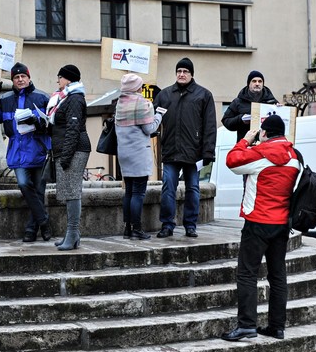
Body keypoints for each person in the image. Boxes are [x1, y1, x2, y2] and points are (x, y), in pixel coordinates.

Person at [221, 114, 300, 341]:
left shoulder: (260, 154)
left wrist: (245, 139)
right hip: (282, 223)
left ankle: (247, 325)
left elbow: (232, 161)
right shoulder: (295, 157)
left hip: (258, 221)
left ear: (264, 133)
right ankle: (277, 326)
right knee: (277, 276)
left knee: (247, 274)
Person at [0, 62, 52, 242]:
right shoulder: (4, 98)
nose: (20, 79)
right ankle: (44, 222)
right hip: (17, 151)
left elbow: (53, 123)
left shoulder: (43, 97)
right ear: (12, 80)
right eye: (16, 77)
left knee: (38, 192)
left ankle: (31, 230)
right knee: (23, 184)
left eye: (23, 76)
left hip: (38, 149)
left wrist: (41, 124)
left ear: (29, 78)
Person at [154, 57, 216, 239]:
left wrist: (208, 153)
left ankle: (190, 225)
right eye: (179, 71)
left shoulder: (204, 95)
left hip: (194, 153)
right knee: (167, 188)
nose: (181, 74)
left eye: (185, 71)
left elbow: (210, 126)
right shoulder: (164, 95)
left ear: (191, 74)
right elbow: (151, 120)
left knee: (193, 190)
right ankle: (167, 224)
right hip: (171, 151)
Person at [115, 74, 164, 240]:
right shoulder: (143, 103)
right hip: (138, 153)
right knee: (138, 193)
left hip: (124, 153)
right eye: (140, 86)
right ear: (136, 87)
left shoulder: (120, 104)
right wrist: (159, 116)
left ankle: (127, 228)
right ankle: (137, 228)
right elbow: (149, 129)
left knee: (128, 192)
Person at [46, 64, 90, 251]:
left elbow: (73, 129)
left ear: (68, 79)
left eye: (60, 77)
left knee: (72, 192)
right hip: (67, 149)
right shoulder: (66, 99)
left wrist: (66, 156)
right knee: (68, 192)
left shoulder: (74, 99)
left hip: (74, 149)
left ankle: (72, 234)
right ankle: (72, 234)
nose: (58, 81)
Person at [221, 70, 279, 142]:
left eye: (260, 81)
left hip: (267, 146)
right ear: (249, 83)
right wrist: (241, 119)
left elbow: (281, 126)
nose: (257, 84)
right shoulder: (238, 102)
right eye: (254, 81)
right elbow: (226, 121)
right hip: (246, 146)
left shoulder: (272, 102)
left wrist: (281, 110)